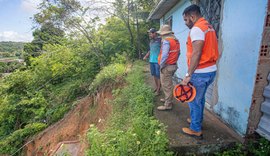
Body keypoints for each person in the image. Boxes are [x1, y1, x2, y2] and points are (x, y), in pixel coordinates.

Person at [181, 4, 219, 138]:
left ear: (193, 16)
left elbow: (196, 53)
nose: (186, 23)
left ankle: (195, 129)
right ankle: (197, 120)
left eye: (186, 20)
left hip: (200, 72)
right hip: (211, 70)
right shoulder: (208, 26)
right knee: (200, 98)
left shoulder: (197, 29)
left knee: (194, 100)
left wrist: (188, 75)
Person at [156, 25, 180, 111]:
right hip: (173, 65)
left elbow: (164, 55)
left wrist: (161, 65)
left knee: (166, 85)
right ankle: (168, 99)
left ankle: (168, 104)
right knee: (168, 84)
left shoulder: (166, 41)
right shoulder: (175, 40)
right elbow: (178, 53)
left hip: (167, 66)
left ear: (164, 34)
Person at [143, 28, 162, 95]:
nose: (149, 35)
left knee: (158, 75)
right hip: (151, 61)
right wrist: (146, 56)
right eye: (149, 33)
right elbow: (150, 50)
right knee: (154, 75)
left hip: (158, 61)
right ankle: (157, 87)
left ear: (154, 33)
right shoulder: (151, 41)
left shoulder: (160, 40)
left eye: (150, 33)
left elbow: (163, 49)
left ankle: (158, 90)